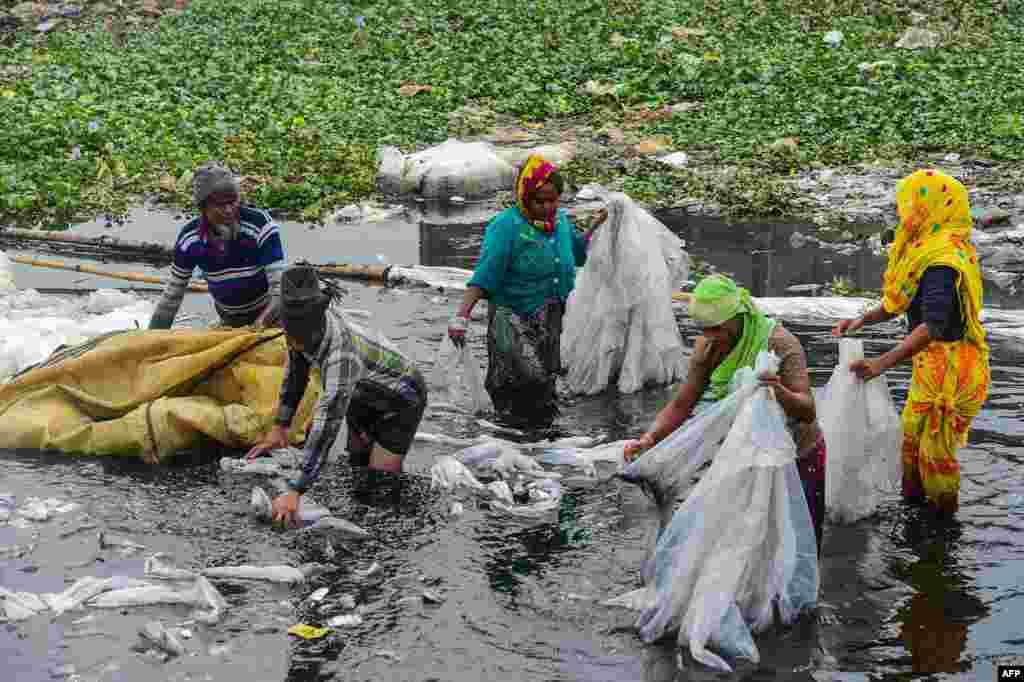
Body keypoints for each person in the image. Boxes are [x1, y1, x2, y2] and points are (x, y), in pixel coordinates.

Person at [623, 274, 827, 552]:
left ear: (737, 316)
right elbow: (682, 404)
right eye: (703, 329)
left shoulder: (779, 342)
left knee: (798, 542)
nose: (710, 336)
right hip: (745, 455)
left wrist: (777, 391)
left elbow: (807, 410)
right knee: (745, 545)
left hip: (797, 454)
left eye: (717, 328)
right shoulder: (707, 347)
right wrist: (649, 439)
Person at [833, 168, 989, 516]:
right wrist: (863, 320)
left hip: (951, 370)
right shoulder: (928, 249)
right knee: (912, 446)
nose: (903, 214)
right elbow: (902, 302)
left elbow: (932, 325)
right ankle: (916, 515)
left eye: (908, 206)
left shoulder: (942, 262)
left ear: (928, 207)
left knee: (935, 456)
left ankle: (942, 532)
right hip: (930, 364)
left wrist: (879, 364)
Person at [245, 266, 428, 526]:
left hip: (402, 399)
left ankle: (400, 526)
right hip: (362, 393)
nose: (294, 341)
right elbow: (296, 373)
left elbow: (327, 423)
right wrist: (280, 427)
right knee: (357, 470)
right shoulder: (296, 326)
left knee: (380, 485)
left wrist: (296, 490)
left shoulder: (341, 354)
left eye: (298, 335)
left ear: (315, 320)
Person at [447, 154, 606, 414]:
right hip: (513, 318)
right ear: (524, 196)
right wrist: (461, 317)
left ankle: (540, 441)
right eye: (539, 200)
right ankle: (508, 435)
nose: (546, 207)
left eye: (552, 200)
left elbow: (576, 253)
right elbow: (486, 274)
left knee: (547, 382)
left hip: (554, 316)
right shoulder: (507, 226)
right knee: (525, 381)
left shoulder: (560, 221)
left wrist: (597, 229)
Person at [149, 161, 285, 330]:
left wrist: (260, 326)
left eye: (232, 202)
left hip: (271, 317)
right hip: (230, 321)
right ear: (203, 206)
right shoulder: (190, 240)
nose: (228, 210)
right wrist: (153, 336)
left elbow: (279, 290)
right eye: (220, 205)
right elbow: (172, 297)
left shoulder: (259, 225)